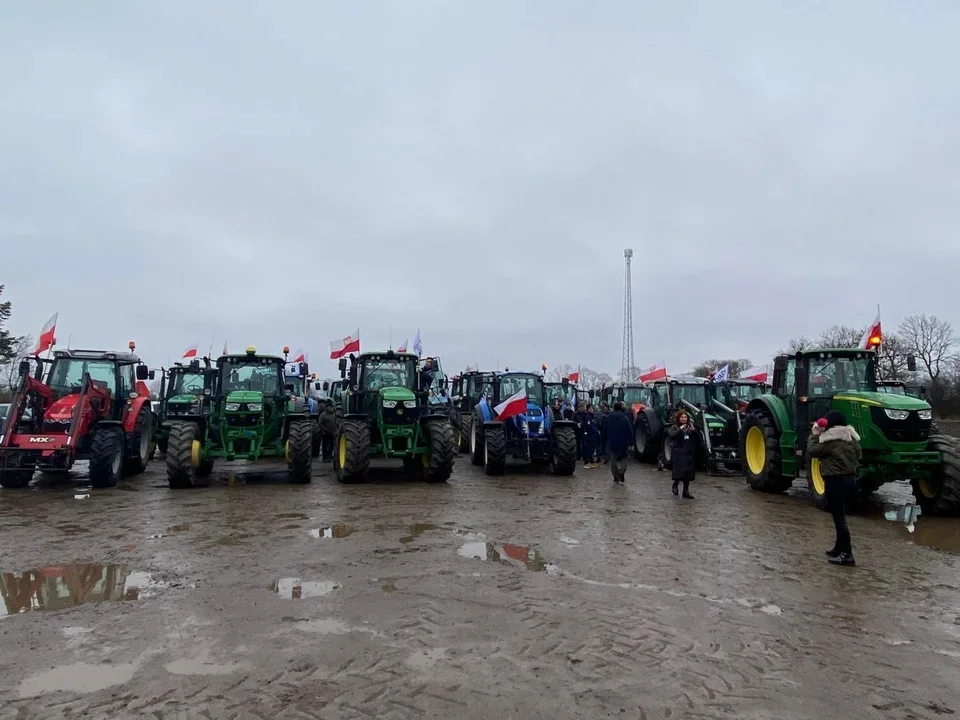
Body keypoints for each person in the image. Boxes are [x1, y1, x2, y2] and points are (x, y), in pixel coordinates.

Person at [808, 411, 862, 567]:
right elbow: (859, 454)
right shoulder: (852, 440)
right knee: (840, 517)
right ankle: (838, 549)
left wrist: (814, 434)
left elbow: (812, 451)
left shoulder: (831, 441)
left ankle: (847, 555)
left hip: (835, 482)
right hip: (850, 480)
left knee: (839, 520)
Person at [667, 410, 700, 499]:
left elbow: (698, 439)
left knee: (688, 473)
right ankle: (675, 484)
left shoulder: (690, 427)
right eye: (682, 417)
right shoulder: (675, 427)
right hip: (679, 452)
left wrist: (694, 431)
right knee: (679, 471)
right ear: (678, 418)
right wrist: (680, 428)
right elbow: (671, 435)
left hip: (688, 452)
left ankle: (686, 491)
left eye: (685, 417)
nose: (684, 419)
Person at [605, 401, 633, 484]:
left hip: (612, 442)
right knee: (624, 458)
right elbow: (629, 430)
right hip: (623, 442)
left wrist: (606, 439)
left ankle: (616, 477)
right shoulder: (625, 418)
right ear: (621, 408)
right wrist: (631, 441)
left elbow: (604, 429)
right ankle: (621, 471)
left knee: (613, 460)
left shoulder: (608, 418)